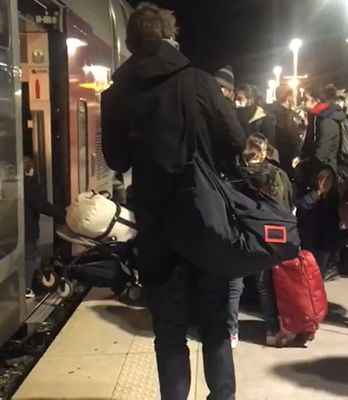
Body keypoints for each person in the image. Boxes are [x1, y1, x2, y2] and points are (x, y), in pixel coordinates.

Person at [101, 4, 246, 399]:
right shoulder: (199, 82)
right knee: (215, 322)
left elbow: (116, 160)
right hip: (205, 219)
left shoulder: (116, 94)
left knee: (168, 331)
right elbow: (236, 140)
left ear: (131, 43)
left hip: (156, 225)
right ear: (169, 36)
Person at [237, 133, 295, 346]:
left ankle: (267, 330)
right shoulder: (277, 174)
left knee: (257, 284)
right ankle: (286, 327)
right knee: (279, 281)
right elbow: (287, 203)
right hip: (277, 234)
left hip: (251, 235)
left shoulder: (238, 176)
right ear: (263, 151)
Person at [23, 156, 65, 298]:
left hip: (14, 230)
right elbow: (41, 205)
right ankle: (26, 288)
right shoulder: (28, 185)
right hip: (27, 230)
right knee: (29, 257)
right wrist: (63, 215)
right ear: (29, 170)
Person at [296, 164, 343, 282]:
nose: (325, 182)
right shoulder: (308, 193)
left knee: (318, 274)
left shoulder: (334, 197)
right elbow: (302, 206)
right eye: (322, 178)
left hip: (326, 243)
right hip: (310, 240)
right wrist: (318, 193)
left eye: (329, 179)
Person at [301, 84, 348, 178]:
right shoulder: (318, 117)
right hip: (320, 170)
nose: (304, 102)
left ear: (317, 101)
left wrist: (304, 164)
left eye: (307, 99)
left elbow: (323, 152)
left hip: (325, 174)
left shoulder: (327, 119)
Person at [272, 84, 304, 177]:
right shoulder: (289, 116)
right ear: (289, 97)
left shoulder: (270, 113)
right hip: (288, 162)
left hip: (274, 159)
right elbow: (294, 139)